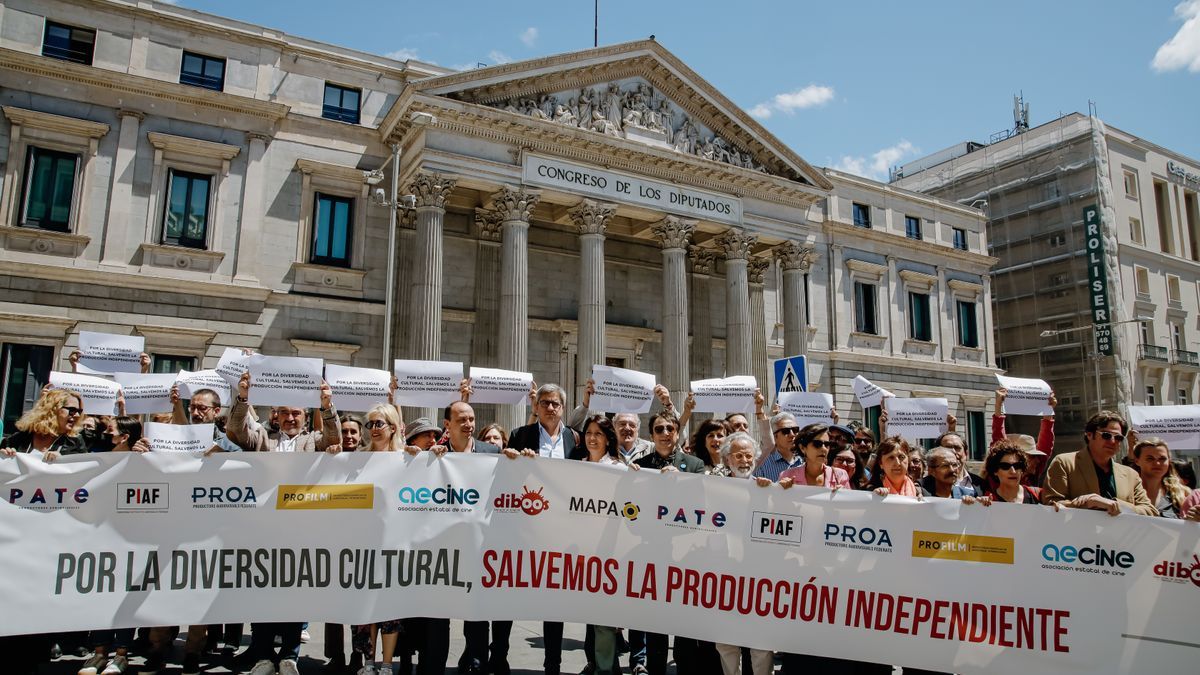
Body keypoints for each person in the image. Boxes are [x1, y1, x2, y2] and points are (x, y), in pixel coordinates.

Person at [712, 432, 775, 675]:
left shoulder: (768, 490)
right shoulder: (712, 487)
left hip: (758, 577)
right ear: (727, 459)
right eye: (738, 455)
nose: (744, 460)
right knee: (726, 642)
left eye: (749, 455)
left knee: (760, 644)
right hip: (723, 576)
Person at [1042, 411, 1156, 516]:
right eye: (1106, 435)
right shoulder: (1064, 463)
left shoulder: (1131, 475)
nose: (1112, 441)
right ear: (1089, 435)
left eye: (1118, 438)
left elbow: (1150, 511)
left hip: (1119, 536)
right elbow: (1051, 505)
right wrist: (1089, 503)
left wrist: (1116, 504)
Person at [225, 372, 341, 454]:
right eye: (284, 412)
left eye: (296, 413)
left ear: (306, 418)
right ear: (278, 416)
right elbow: (236, 431)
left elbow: (333, 440)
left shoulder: (313, 440)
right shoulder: (263, 438)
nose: (290, 418)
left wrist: (326, 406)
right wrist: (243, 397)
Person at [0, 388, 86, 459]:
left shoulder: (75, 443)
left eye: (79, 411)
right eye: (72, 410)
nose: (77, 415)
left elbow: (84, 474)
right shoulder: (15, 440)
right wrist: (4, 457)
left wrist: (63, 462)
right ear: (52, 409)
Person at [992, 388, 1056, 485]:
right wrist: (998, 406)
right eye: (1032, 456)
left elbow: (1046, 446)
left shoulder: (1033, 473)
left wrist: (1048, 409)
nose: (1038, 461)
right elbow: (998, 440)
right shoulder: (998, 474)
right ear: (1017, 458)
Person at [1131, 438, 1193, 518]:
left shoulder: (1183, 494)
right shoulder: (1126, 491)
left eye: (1162, 459)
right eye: (1150, 459)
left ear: (1169, 461)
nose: (1157, 463)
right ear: (1137, 461)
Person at [169, 386, 242, 454]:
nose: (195, 413)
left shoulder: (228, 443)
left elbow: (243, 463)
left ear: (216, 411)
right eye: (192, 407)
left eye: (202, 408)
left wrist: (222, 454)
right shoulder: (179, 440)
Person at [779, 424, 850, 489]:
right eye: (817, 444)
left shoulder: (840, 476)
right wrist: (780, 490)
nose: (823, 448)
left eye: (827, 444)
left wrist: (844, 495)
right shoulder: (787, 475)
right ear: (802, 448)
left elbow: (850, 502)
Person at [978, 439, 1042, 504]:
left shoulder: (1038, 495)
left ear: (1022, 469)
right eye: (1005, 466)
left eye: (1017, 466)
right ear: (995, 471)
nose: (1013, 471)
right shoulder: (987, 500)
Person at [752, 412, 802, 482]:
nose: (792, 435)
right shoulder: (762, 464)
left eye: (795, 430)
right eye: (786, 431)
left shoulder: (807, 460)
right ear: (774, 436)